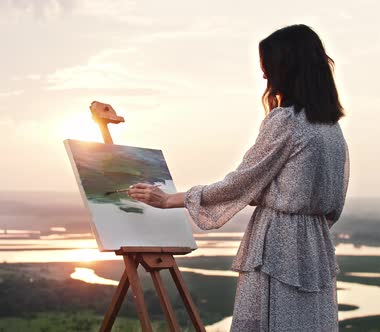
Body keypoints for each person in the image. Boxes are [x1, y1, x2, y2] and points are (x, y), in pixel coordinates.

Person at [128, 24, 349, 332]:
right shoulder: (331, 129)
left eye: (267, 68)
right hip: (316, 248)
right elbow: (332, 206)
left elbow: (241, 183)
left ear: (286, 68)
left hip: (279, 247)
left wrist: (170, 200)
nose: (264, 76)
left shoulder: (285, 121)